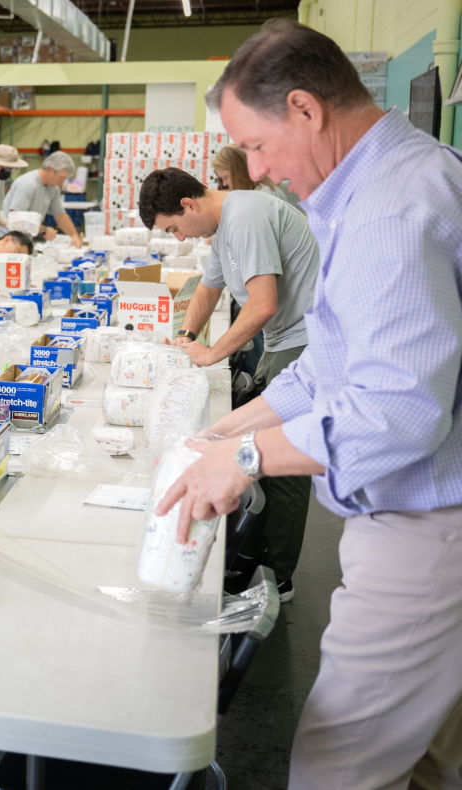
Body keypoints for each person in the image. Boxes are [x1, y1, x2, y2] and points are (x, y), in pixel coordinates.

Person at [158, 18, 462, 790]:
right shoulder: (394, 181)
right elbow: (329, 366)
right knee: (429, 756)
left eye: (256, 146)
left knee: (341, 764)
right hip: (426, 511)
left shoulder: (390, 211)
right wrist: (224, 428)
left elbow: (395, 413)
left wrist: (250, 459)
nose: (255, 169)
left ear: (305, 108)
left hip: (430, 527)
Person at [138, 166, 319, 601]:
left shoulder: (246, 215)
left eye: (174, 228)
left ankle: (278, 574)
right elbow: (207, 288)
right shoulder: (222, 228)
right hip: (286, 341)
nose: (178, 238)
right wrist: (185, 338)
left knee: (283, 464)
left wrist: (212, 353)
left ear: (189, 204)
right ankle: (255, 554)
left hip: (305, 344)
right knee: (252, 441)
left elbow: (262, 306)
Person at [1, 150, 83, 246]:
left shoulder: (53, 188)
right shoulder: (28, 184)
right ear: (50, 170)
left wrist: (74, 236)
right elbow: (17, 220)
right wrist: (43, 231)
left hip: (24, 240)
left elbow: (61, 216)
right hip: (6, 239)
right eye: (61, 178)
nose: (62, 183)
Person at [212, 143, 303, 211]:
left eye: (226, 177)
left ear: (239, 173)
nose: (224, 184)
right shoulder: (261, 189)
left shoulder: (265, 195)